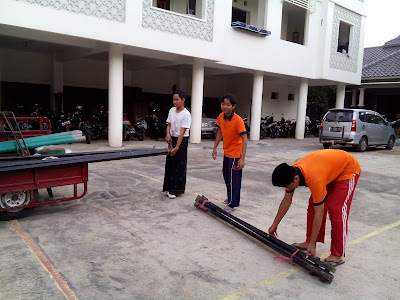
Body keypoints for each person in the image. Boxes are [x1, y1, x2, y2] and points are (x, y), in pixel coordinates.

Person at [268, 149, 361, 267]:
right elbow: (286, 201)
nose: (287, 188)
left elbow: (320, 212)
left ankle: (337, 253)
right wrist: (274, 225)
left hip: (347, 169)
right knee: (313, 205)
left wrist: (313, 244)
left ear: (296, 179)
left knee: (336, 209)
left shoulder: (314, 178)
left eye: (287, 185)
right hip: (328, 170)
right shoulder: (291, 172)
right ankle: (309, 242)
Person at [212, 94, 248, 213]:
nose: (225, 107)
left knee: (235, 179)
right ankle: (230, 198)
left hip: (236, 155)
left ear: (233, 106)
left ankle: (233, 203)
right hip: (227, 153)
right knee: (227, 177)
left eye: (228, 104)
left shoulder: (238, 120)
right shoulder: (221, 117)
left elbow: (244, 139)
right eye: (223, 104)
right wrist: (215, 148)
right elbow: (220, 133)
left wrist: (242, 158)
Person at [163, 90, 192, 199]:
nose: (175, 102)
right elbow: (169, 124)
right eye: (173, 100)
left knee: (178, 165)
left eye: (177, 100)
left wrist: (177, 147)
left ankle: (175, 189)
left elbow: (182, 132)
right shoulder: (171, 110)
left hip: (182, 141)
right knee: (170, 163)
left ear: (183, 100)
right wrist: (167, 135)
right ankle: (168, 187)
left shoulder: (186, 114)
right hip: (172, 139)